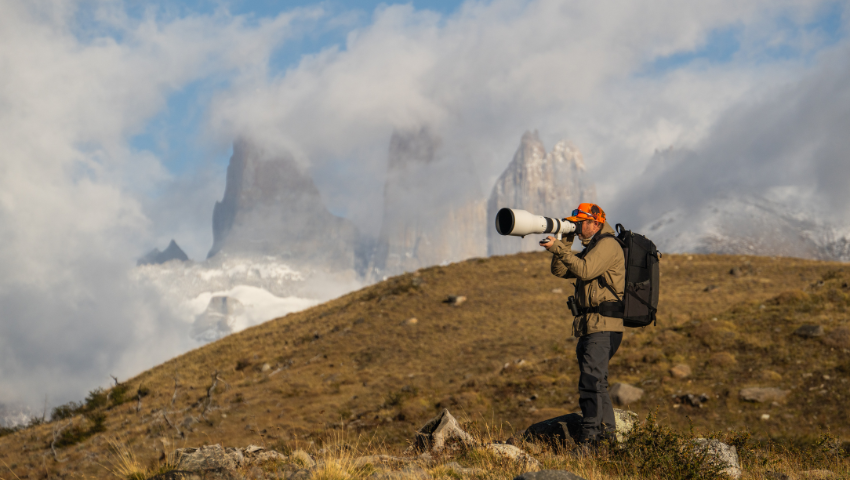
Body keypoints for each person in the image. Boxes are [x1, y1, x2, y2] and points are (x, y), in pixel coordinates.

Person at [540, 203, 625, 446]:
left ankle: (589, 441)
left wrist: (559, 248)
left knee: (590, 382)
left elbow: (585, 271)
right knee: (597, 383)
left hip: (604, 326)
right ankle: (610, 441)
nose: (577, 228)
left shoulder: (607, 244)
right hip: (589, 326)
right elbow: (560, 270)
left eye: (580, 223)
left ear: (596, 223)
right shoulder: (592, 249)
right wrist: (563, 244)